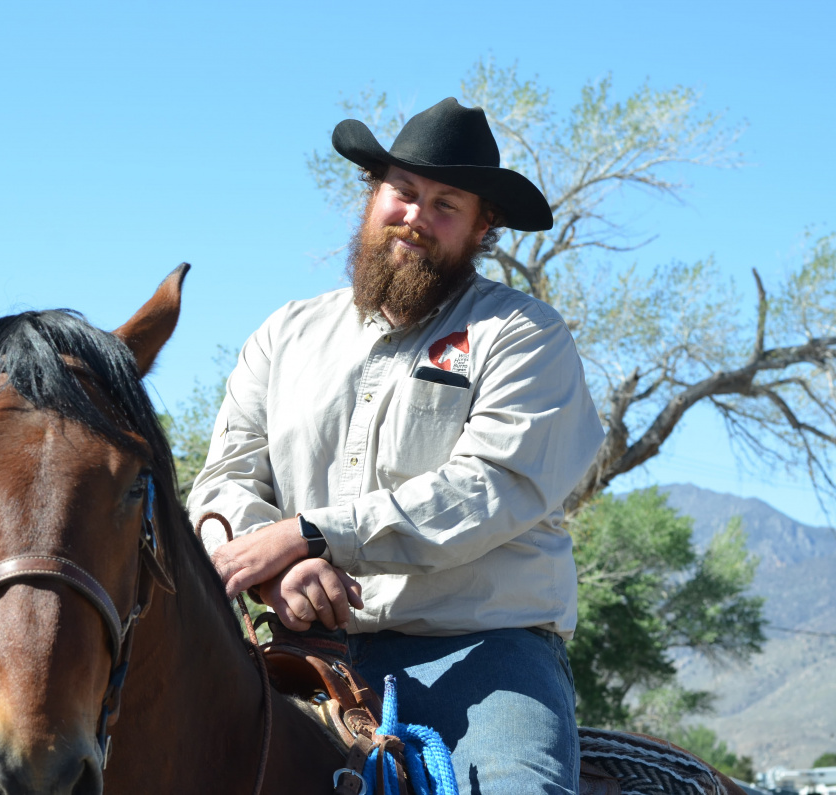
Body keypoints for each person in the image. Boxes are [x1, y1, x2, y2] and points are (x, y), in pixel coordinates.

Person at [187, 97, 605, 794]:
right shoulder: (283, 335)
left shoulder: (522, 336)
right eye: (403, 192)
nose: (416, 215)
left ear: (483, 226)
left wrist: (311, 535)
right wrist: (275, 568)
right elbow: (224, 480)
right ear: (372, 195)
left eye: (446, 204)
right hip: (302, 645)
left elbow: (491, 487)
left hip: (484, 653)